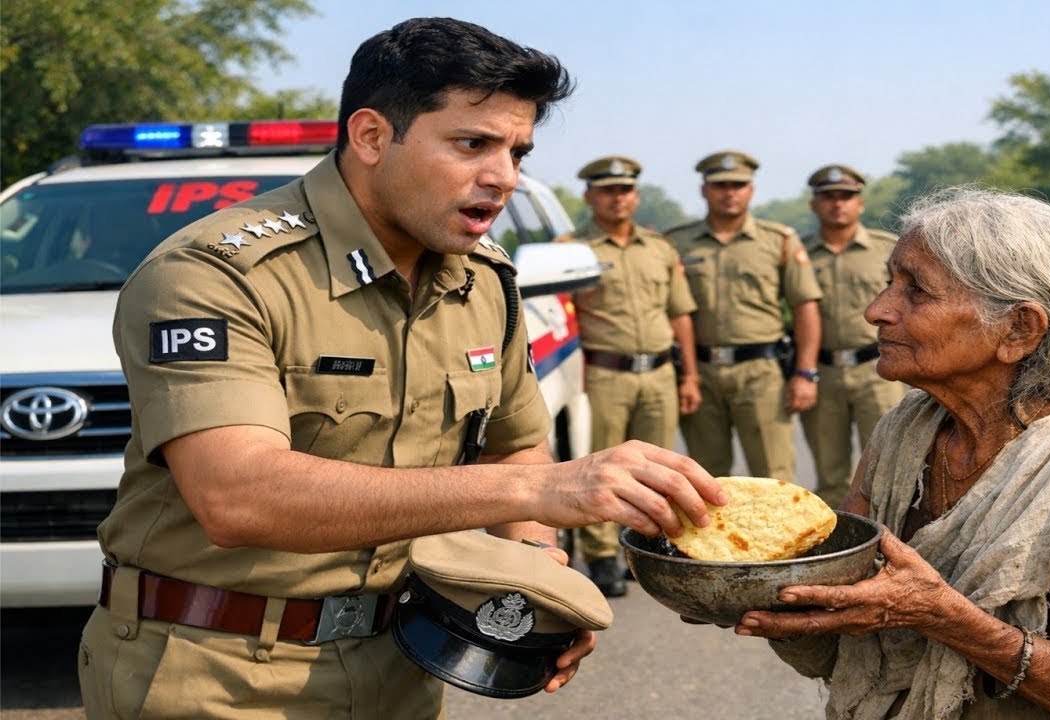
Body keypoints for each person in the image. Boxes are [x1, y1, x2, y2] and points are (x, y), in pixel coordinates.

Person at [77, 18, 724, 720]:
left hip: (404, 670)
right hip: (217, 672)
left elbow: (514, 440)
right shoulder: (217, 274)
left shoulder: (482, 281)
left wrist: (532, 581)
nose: (503, 177)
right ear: (372, 136)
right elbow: (237, 496)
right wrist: (539, 489)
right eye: (472, 144)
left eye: (517, 151)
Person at [737, 188, 1050, 718]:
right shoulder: (907, 428)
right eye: (888, 282)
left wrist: (941, 616)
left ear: (1018, 329)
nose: (877, 311)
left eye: (915, 291)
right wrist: (738, 580)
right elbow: (841, 598)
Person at [556, 155, 701, 597]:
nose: (617, 199)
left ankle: (646, 546)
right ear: (589, 196)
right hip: (604, 374)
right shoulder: (571, 250)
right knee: (601, 462)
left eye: (624, 190)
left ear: (635, 195)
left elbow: (680, 315)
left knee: (657, 465)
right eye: (606, 191)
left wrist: (689, 375)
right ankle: (601, 556)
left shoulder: (659, 249)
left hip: (658, 371)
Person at [665, 150, 823, 485]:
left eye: (738, 184)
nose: (729, 192)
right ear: (704, 190)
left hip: (761, 372)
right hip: (701, 372)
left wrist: (805, 373)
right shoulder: (676, 242)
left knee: (774, 476)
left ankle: (783, 539)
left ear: (751, 190)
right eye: (720, 185)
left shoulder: (778, 240)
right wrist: (685, 377)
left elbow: (805, 307)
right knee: (705, 480)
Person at [798, 164, 906, 507]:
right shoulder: (797, 254)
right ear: (814, 204)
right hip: (822, 372)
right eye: (828, 197)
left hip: (876, 369)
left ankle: (894, 550)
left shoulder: (887, 250)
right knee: (831, 475)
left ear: (860, 203)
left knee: (890, 466)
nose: (838, 204)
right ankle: (836, 553)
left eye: (846, 196)